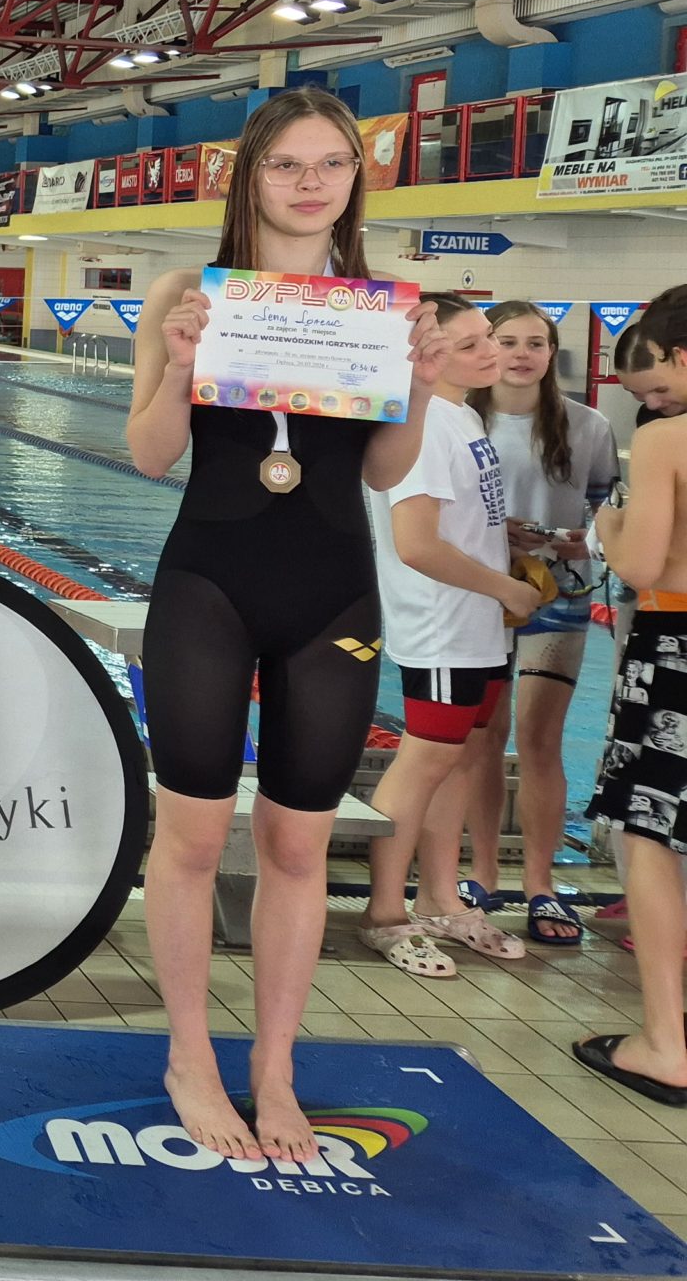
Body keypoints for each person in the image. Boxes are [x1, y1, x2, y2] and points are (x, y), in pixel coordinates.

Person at [127, 88, 442, 1165]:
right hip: (208, 584)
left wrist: (420, 387)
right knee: (192, 836)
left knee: (300, 842)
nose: (312, 183)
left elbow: (383, 475)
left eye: (332, 164)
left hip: (332, 590)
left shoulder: (378, 309)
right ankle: (188, 1056)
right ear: (248, 175)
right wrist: (180, 362)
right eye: (287, 164)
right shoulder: (185, 292)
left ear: (356, 178)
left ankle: (275, 1067)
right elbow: (150, 455)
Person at [355, 296, 541, 977]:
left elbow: (452, 519)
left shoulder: (461, 413)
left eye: (487, 336)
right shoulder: (426, 421)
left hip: (475, 624)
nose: (491, 352)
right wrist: (505, 589)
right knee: (424, 763)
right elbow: (416, 545)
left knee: (460, 761)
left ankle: (439, 898)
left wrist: (501, 538)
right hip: (443, 625)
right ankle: (383, 912)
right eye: (470, 346)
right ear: (427, 356)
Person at [454, 302, 618, 945]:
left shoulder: (589, 425)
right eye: (508, 341)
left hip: (560, 595)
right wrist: (497, 532)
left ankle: (541, 885)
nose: (521, 354)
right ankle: (483, 874)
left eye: (536, 343)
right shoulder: (461, 419)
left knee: (541, 741)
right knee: (482, 740)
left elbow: (607, 507)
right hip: (481, 594)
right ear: (487, 347)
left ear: (552, 353)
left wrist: (589, 539)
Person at [577, 286, 687, 1104]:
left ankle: (664, 1044)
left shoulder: (665, 440)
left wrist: (606, 527)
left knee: (648, 838)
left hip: (676, 645)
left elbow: (641, 564)